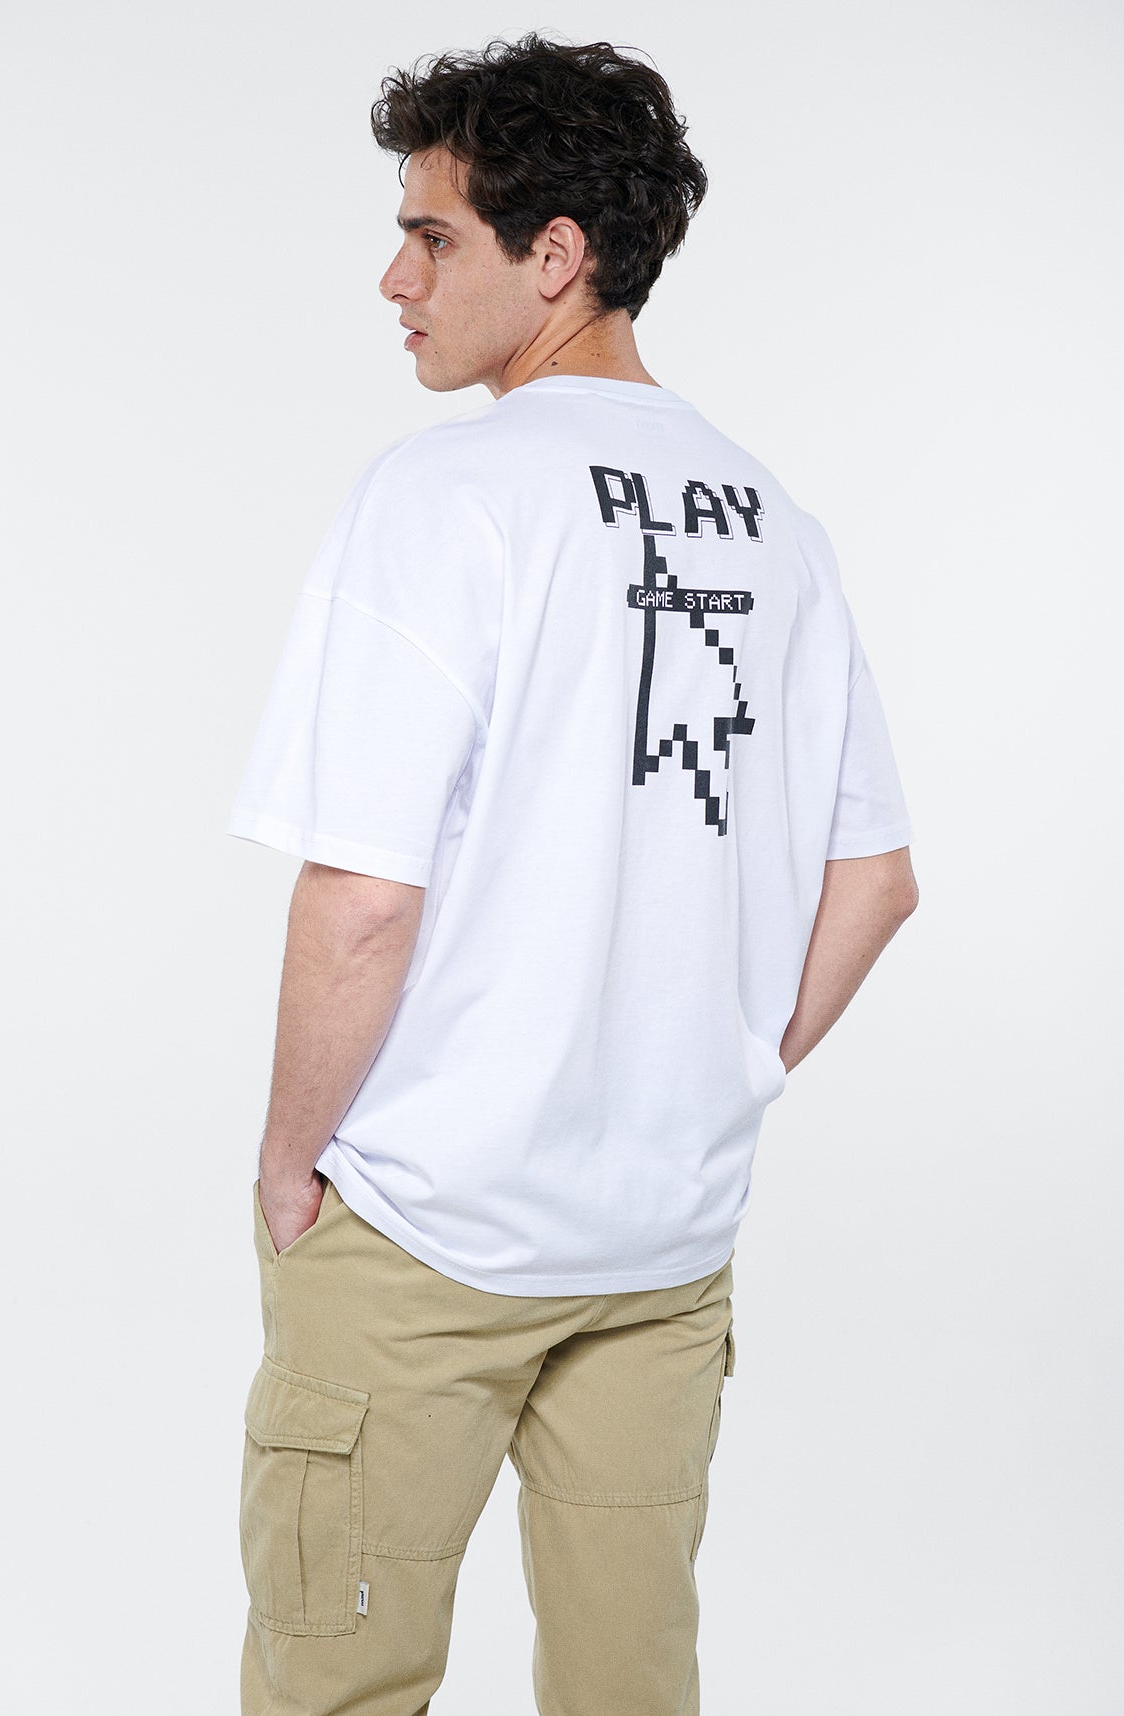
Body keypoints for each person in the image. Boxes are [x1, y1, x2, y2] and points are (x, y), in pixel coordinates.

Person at [227, 32, 918, 1716]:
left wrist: (289, 1165)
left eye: (432, 235)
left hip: (430, 1224)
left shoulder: (445, 496)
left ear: (557, 254)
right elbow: (875, 879)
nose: (392, 279)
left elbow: (363, 898)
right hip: (661, 1237)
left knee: (334, 1684)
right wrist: (720, 1074)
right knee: (630, 1685)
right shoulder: (772, 520)